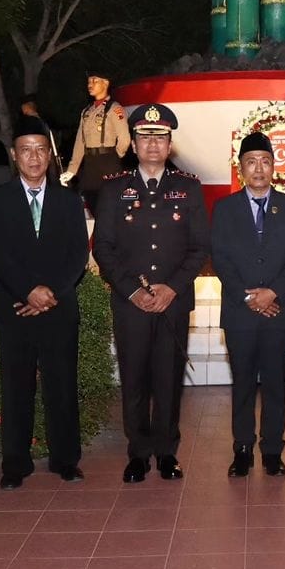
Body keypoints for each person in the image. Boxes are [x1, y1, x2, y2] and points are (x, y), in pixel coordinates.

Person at [92, 104, 209, 483]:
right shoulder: (113, 189)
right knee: (135, 378)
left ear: (170, 144)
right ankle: (138, 453)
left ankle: (166, 453)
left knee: (168, 379)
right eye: (145, 137)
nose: (153, 144)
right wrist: (131, 291)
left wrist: (172, 288)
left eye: (160, 138)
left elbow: (199, 248)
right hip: (131, 304)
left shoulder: (188, 189)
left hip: (173, 303)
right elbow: (103, 247)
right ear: (134, 144)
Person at [0, 115, 90, 490]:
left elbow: (78, 255)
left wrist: (50, 294)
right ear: (14, 155)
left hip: (59, 309)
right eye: (25, 150)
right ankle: (15, 464)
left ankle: (65, 461)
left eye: (40, 150)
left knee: (62, 387)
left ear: (49, 156)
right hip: (14, 308)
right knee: (16, 389)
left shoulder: (69, 200)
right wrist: (28, 291)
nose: (33, 157)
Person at [211, 132, 285, 478]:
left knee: (275, 385)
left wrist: (273, 294)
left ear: (273, 167)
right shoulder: (225, 209)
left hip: (279, 311)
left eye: (265, 161)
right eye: (251, 162)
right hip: (240, 312)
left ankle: (271, 450)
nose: (258, 168)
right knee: (243, 385)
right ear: (241, 169)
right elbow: (220, 258)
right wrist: (248, 297)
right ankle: (241, 449)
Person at [60, 70, 130, 217]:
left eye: (95, 81)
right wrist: (72, 169)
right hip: (90, 164)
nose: (90, 85)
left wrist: (113, 156)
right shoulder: (87, 111)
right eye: (89, 82)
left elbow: (124, 139)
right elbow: (80, 141)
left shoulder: (114, 108)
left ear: (106, 83)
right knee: (92, 204)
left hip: (108, 162)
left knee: (110, 209)